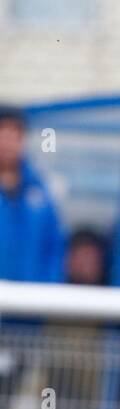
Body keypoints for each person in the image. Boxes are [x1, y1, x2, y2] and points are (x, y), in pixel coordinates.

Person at [0, 105, 64, 283]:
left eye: (14, 137)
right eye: (2, 136)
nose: (7, 144)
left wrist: (48, 288)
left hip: (30, 301)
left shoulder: (40, 191)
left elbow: (53, 247)